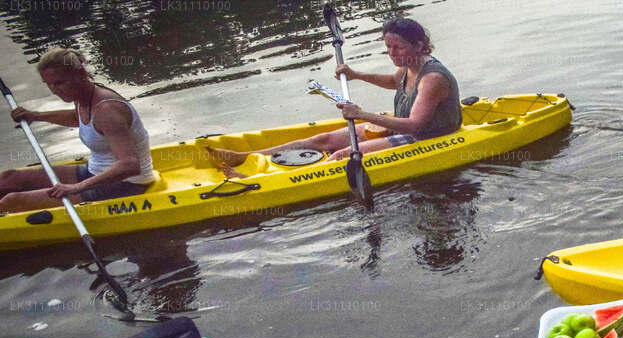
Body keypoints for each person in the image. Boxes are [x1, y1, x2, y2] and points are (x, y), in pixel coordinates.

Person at [210, 17, 461, 173]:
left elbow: (415, 125)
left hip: (425, 136)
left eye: (398, 47)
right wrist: (355, 74)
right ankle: (246, 157)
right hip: (403, 126)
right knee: (323, 139)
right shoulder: (408, 64)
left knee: (342, 155)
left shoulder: (432, 79)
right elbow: (393, 82)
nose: (392, 53)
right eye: (388, 47)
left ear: (419, 45)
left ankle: (260, 181)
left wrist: (362, 114)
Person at [0, 48, 160, 212]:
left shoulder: (107, 110)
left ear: (81, 74)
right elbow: (77, 118)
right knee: (7, 179)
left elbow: (130, 165)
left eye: (59, 83)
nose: (54, 90)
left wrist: (78, 187)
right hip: (94, 171)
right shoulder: (82, 97)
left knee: (11, 201)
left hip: (126, 184)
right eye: (48, 84)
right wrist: (35, 116)